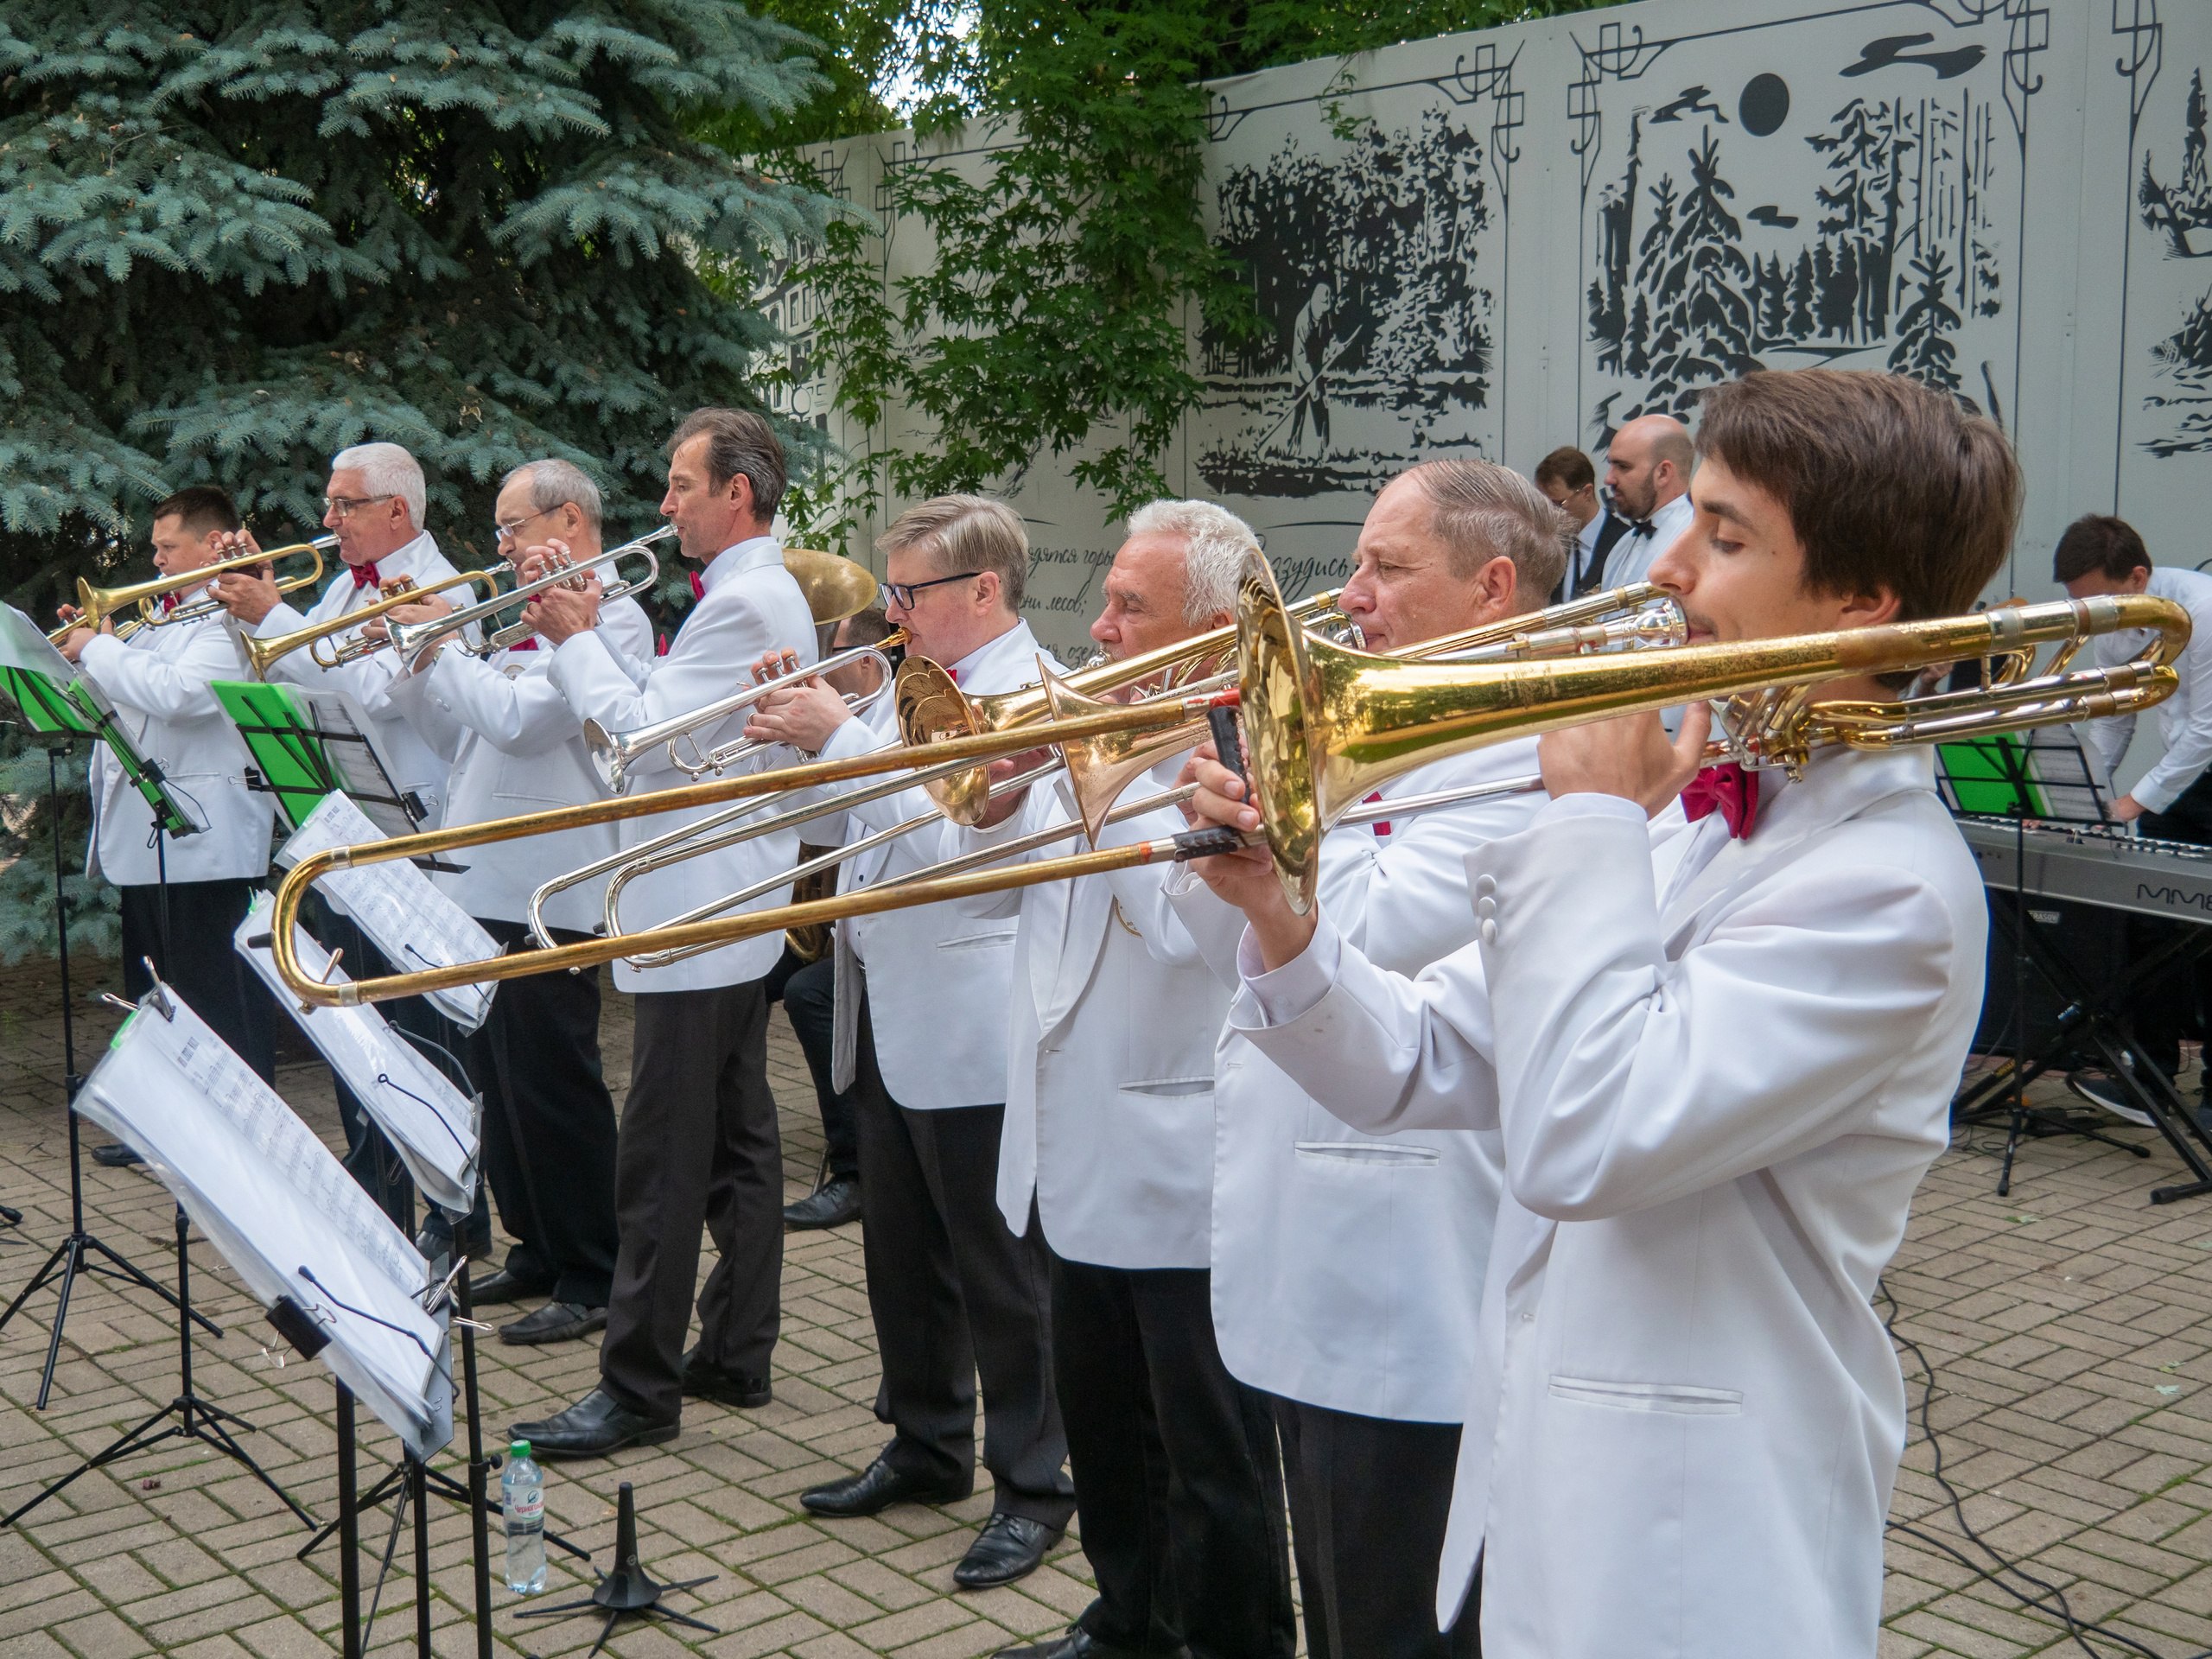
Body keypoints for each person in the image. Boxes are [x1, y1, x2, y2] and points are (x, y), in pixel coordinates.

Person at [1185, 368, 2016, 1657]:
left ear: (1862, 600)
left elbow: (1584, 1138)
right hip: (1551, 1470)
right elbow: (1425, 1059)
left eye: (1723, 536)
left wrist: (1583, 821)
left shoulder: (1891, 888)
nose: (1666, 568)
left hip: (1696, 1533)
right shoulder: (1708, 813)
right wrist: (1280, 918)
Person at [1166, 461, 1566, 1659]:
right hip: (1312, 1231)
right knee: (1341, 1603)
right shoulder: (1382, 716)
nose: (1349, 598)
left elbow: (1382, 928)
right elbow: (1228, 943)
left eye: (1386, 568)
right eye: (1355, 566)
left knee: (1394, 1612)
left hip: (1409, 1270)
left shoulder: (1533, 744)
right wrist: (1226, 825)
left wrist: (1286, 799)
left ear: (1493, 588)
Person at [970, 500, 1297, 1659]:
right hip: (1078, 1143)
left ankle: (1232, 1638)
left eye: (1129, 606)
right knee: (1107, 1431)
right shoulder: (1105, 730)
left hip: (1181, 1162)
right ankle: (1127, 1623)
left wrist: (1097, 773)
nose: (1099, 628)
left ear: (1208, 635)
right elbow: (999, 892)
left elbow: (1184, 931)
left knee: (1208, 1453)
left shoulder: (1239, 755)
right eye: (1106, 600)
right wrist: (1005, 790)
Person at [742, 495, 1076, 1590]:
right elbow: (845, 832)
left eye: (909, 592)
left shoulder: (1032, 695)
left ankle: (1034, 1485)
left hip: (977, 1021)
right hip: (886, 1005)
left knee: (1002, 1275)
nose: (891, 612)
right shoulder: (904, 687)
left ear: (983, 589)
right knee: (900, 1257)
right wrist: (796, 744)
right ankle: (927, 1447)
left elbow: (960, 853)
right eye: (889, 591)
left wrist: (838, 739)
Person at [510, 409, 817, 1456]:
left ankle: (637, 1387)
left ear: (738, 493)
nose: (664, 503)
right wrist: (591, 632)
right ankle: (735, 1347)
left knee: (659, 1167)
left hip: (697, 912)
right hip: (720, 908)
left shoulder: (745, 600)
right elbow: (656, 714)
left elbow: (642, 738)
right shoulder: (743, 593)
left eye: (682, 485)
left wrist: (572, 637)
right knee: (736, 1145)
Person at [378, 459, 652, 1344]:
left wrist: (447, 647)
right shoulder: (526, 614)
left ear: (568, 522)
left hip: (548, 886)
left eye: (511, 527)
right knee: (497, 1081)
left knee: (553, 1084)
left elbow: (520, 721)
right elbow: (456, 733)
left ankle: (594, 1269)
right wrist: (420, 656)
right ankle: (536, 1245)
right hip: (484, 872)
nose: (499, 546)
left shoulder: (612, 615)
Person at [211, 441, 467, 1226]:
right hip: (345, 828)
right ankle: (382, 1196)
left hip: (409, 832)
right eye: (329, 503)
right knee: (356, 1022)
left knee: (417, 1033)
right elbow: (290, 671)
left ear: (396, 510)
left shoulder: (438, 588)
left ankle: (450, 1211)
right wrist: (253, 607)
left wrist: (275, 614)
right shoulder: (345, 589)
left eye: (343, 504)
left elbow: (371, 694)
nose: (328, 520)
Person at [58, 486, 276, 1168]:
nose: (154, 560)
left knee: (218, 1001)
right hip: (150, 836)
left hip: (209, 842)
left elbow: (181, 696)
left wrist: (100, 649)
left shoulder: (228, 618)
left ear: (213, 545)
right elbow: (126, 699)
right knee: (157, 996)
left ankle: (241, 1141)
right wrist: (77, 657)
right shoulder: (160, 618)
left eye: (166, 547)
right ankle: (172, 1133)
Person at [2056, 514, 2212, 1125]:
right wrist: (2089, 798)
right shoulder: (2115, 619)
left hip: (2199, 766)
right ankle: (2152, 1078)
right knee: (2152, 925)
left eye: (2098, 600)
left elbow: (2207, 731)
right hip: (2185, 780)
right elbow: (2115, 717)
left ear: (2138, 578)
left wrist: (2133, 803)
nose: (2092, 615)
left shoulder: (2204, 610)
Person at [772, 606, 899, 1231]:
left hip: (904, 935)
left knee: (808, 993)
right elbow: (821, 826)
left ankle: (855, 1170)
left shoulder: (899, 708)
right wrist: (796, 746)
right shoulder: (867, 715)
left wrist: (836, 736)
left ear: (867, 664)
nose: (823, 667)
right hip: (862, 926)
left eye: (835, 654)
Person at [1597, 413, 1695, 592]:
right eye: (1611, 465)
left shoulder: (1697, 539)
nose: (1608, 479)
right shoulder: (1623, 544)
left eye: (1623, 467)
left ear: (1663, 473)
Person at [1534, 446, 1630, 601]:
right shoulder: (1551, 543)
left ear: (1587, 492)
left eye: (1558, 504)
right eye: (1544, 505)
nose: (1550, 513)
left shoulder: (1624, 541)